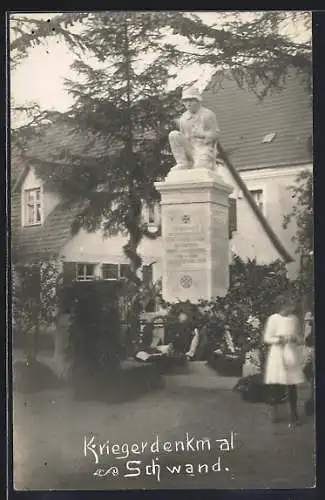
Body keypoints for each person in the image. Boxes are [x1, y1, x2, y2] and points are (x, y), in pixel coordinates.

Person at [263, 294, 305, 428]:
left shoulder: (294, 319)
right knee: (276, 384)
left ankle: (294, 414)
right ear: (282, 306)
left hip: (291, 354)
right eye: (288, 305)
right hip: (278, 355)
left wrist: (295, 339)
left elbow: (300, 338)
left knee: (292, 385)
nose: (291, 308)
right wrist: (279, 339)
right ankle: (274, 411)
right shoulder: (273, 319)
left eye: (291, 305)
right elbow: (267, 338)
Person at [168, 87, 220, 171]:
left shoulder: (207, 115)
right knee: (173, 134)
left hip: (203, 149)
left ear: (198, 101)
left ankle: (200, 162)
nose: (188, 104)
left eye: (191, 100)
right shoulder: (183, 118)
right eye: (186, 101)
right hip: (190, 148)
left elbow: (215, 135)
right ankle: (183, 162)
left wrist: (202, 134)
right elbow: (183, 136)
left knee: (200, 169)